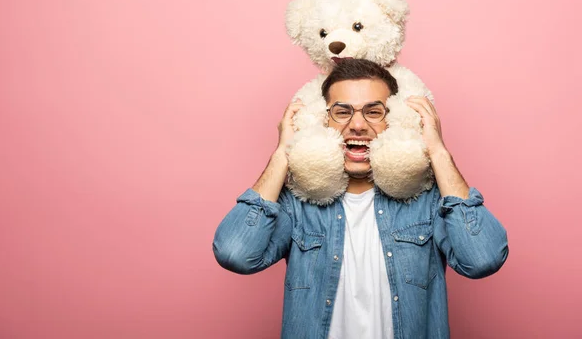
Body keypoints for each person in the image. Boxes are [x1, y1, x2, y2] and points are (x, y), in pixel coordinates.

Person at [213, 58, 509, 339]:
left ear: (395, 120)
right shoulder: (296, 204)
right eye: (342, 111)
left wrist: (437, 151)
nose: (357, 125)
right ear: (321, 120)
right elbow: (236, 253)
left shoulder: (428, 201)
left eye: (374, 111)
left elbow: (482, 258)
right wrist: (284, 152)